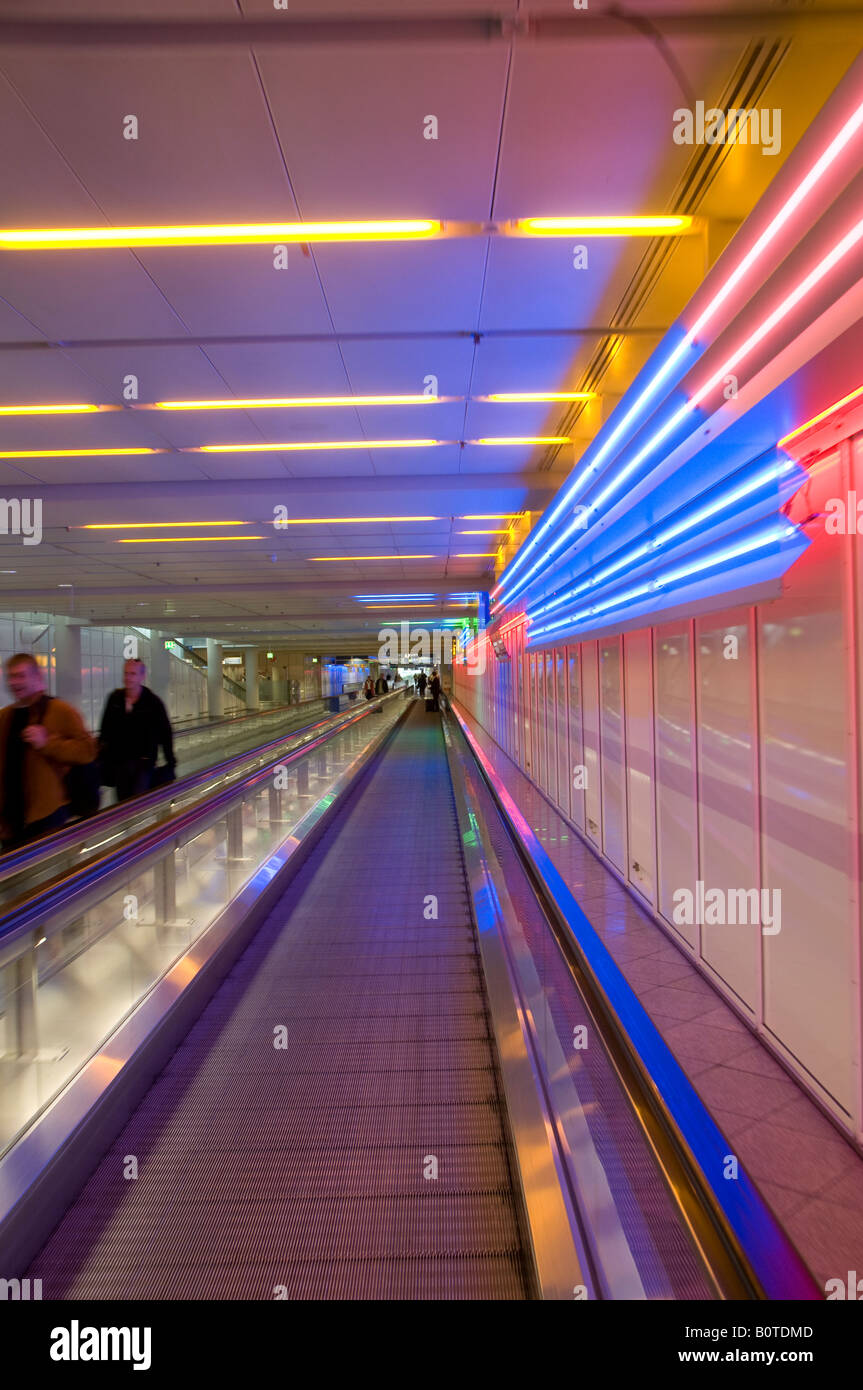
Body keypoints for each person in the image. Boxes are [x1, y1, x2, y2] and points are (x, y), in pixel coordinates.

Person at [0, 653, 97, 851]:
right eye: (11, 677)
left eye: (21, 676)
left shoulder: (59, 710)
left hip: (47, 816)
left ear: (37, 678)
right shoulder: (5, 716)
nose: (14, 682)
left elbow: (88, 751)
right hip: (10, 820)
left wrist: (48, 743)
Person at [99, 658, 175, 803]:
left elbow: (165, 734)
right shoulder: (115, 699)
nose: (128, 678)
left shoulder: (152, 702)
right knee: (123, 803)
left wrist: (170, 762)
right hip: (120, 763)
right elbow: (105, 730)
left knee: (137, 802)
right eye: (126, 673)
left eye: (133, 674)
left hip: (143, 763)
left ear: (142, 676)